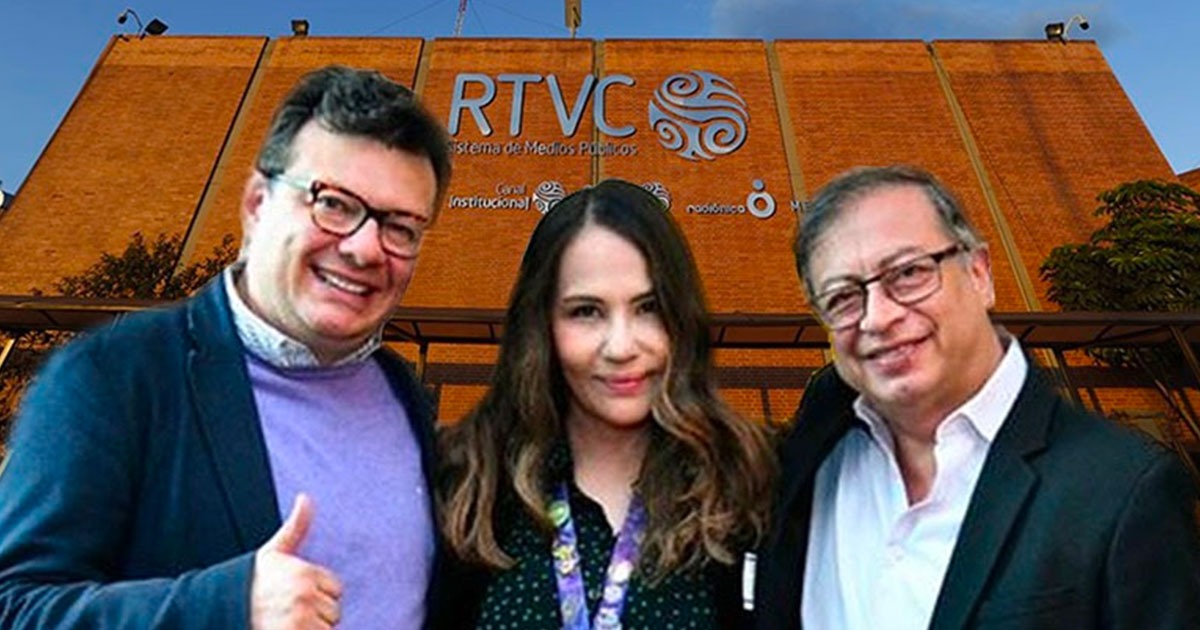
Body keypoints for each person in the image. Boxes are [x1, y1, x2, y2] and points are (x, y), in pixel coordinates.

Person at [0, 65, 452, 629]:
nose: (365, 248)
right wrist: (225, 606)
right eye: (334, 204)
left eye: (401, 227)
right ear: (258, 203)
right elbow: (15, 606)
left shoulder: (400, 389)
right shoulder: (113, 375)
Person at [752, 165, 1200, 629]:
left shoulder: (1121, 486)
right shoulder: (803, 466)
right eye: (842, 298)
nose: (877, 318)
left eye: (908, 273)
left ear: (979, 273)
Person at [436, 179, 775, 629]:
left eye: (648, 307)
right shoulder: (469, 479)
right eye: (586, 311)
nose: (620, 347)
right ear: (542, 326)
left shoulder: (747, 478)